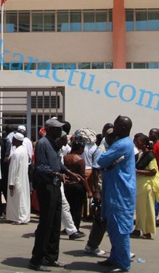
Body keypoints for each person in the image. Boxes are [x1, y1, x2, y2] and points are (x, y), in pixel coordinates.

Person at [29, 117, 80, 272]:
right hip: (46, 186)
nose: (60, 131)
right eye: (57, 129)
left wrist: (69, 172)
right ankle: (37, 259)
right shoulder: (43, 144)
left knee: (56, 223)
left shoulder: (54, 144)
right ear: (50, 130)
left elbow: (58, 164)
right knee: (46, 223)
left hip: (56, 185)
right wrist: (57, 174)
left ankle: (51, 256)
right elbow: (41, 167)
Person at [97, 115, 136, 272]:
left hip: (120, 193)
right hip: (115, 191)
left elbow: (101, 160)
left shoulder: (121, 144)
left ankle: (123, 263)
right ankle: (114, 257)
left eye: (116, 125)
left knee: (120, 229)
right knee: (113, 228)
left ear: (123, 128)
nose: (113, 128)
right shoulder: (123, 143)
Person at [84, 123, 116, 258]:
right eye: (112, 136)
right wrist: (96, 192)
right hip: (102, 189)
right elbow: (96, 171)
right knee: (101, 219)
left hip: (109, 188)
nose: (114, 138)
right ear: (106, 136)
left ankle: (114, 248)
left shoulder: (112, 148)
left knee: (107, 219)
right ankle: (92, 245)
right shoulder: (101, 150)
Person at [134, 133, 159, 239]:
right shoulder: (142, 154)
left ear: (144, 143)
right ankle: (137, 229)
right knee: (140, 209)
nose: (136, 143)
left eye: (138, 141)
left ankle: (147, 232)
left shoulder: (150, 156)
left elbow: (153, 171)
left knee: (146, 209)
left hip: (147, 186)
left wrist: (137, 171)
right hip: (141, 185)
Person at [63, 138, 92, 232]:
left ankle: (67, 227)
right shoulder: (80, 160)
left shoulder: (65, 158)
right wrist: (89, 190)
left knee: (68, 208)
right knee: (77, 209)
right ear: (79, 148)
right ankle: (75, 228)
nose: (83, 151)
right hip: (78, 187)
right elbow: (83, 177)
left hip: (67, 186)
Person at [6, 132, 30, 225]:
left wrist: (12, 182)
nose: (12, 141)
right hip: (23, 178)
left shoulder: (17, 152)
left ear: (16, 140)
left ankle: (19, 218)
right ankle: (20, 217)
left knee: (18, 199)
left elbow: (14, 169)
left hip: (17, 179)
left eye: (13, 139)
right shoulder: (24, 150)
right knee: (22, 198)